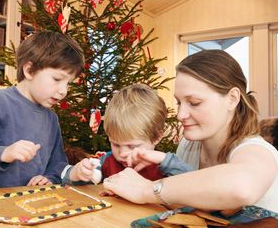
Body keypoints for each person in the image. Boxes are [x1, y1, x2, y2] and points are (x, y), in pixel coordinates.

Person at [103, 50, 278, 216]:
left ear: (232, 98)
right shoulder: (188, 146)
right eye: (179, 103)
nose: (181, 115)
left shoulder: (256, 149)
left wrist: (147, 190)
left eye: (194, 103)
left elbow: (242, 187)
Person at [0, 31, 84, 189]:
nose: (64, 91)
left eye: (68, 83)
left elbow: (57, 164)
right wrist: (3, 153)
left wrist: (48, 178)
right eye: (57, 79)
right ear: (29, 70)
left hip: (29, 205)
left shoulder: (52, 119)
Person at [62, 83, 192, 185]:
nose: (122, 154)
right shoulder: (107, 161)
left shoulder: (166, 166)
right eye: (115, 144)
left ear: (157, 137)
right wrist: (77, 173)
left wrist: (166, 161)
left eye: (132, 146)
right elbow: (67, 180)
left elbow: (195, 184)